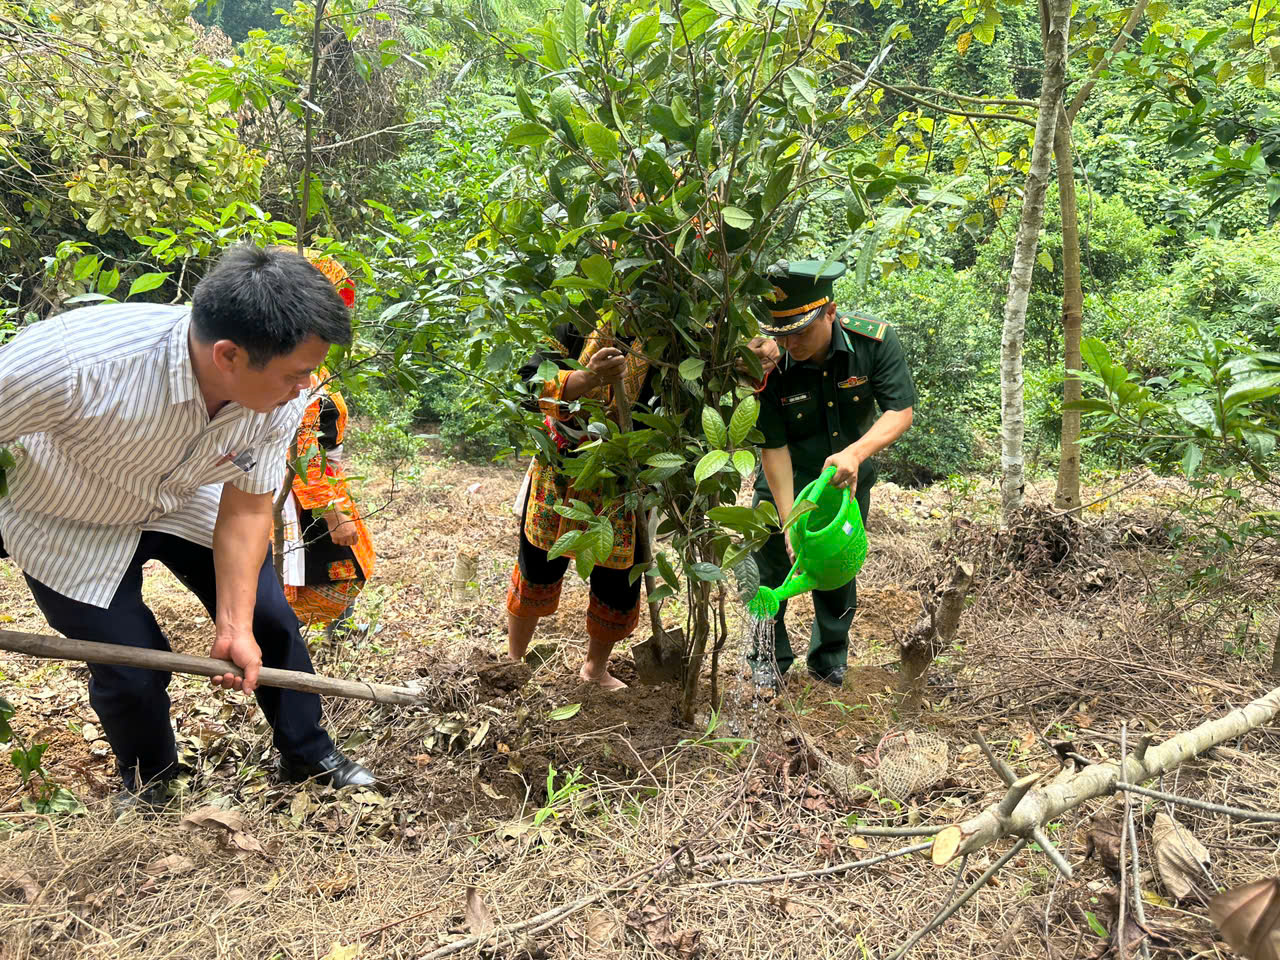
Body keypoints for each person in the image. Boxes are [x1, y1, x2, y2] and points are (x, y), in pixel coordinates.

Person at [0, 245, 376, 816]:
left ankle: (306, 752)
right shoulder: (72, 365)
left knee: (270, 622)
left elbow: (249, 510)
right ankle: (151, 782)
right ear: (228, 354)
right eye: (297, 373)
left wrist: (234, 624)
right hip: (64, 515)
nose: (307, 387)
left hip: (184, 498)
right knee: (128, 662)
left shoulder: (280, 393)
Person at [746, 260, 915, 690]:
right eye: (783, 333)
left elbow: (900, 411)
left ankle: (829, 659)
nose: (792, 343)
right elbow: (773, 446)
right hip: (785, 482)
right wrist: (791, 520)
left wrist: (856, 453)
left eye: (802, 331)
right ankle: (767, 657)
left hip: (845, 483)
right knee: (769, 573)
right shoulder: (769, 364)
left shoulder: (872, 342)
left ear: (831, 312)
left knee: (838, 568)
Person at [506, 326, 655, 690]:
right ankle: (514, 662)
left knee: (618, 582)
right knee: (536, 565)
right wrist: (587, 377)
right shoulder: (578, 315)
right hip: (560, 467)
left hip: (627, 477)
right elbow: (527, 385)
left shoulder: (668, 325)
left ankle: (594, 669)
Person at [278, 254, 375, 637]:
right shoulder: (293, 363)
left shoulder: (307, 358)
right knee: (327, 565)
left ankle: (336, 629)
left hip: (320, 484)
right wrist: (332, 511)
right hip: (300, 490)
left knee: (338, 564)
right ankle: (287, 640)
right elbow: (301, 448)